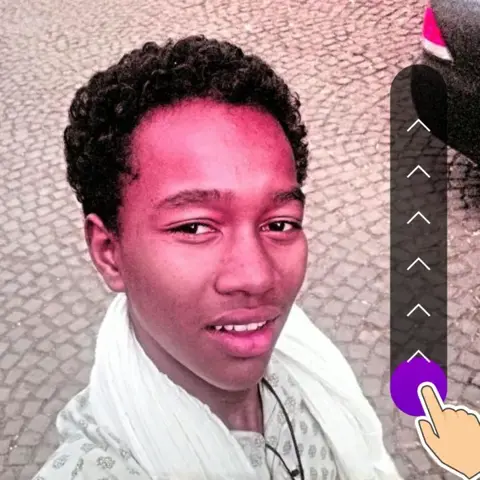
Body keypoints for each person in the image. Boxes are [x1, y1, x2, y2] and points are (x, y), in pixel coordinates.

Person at [33, 36, 400, 480]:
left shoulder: (305, 362)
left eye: (280, 224)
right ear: (109, 252)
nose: (257, 276)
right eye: (194, 227)